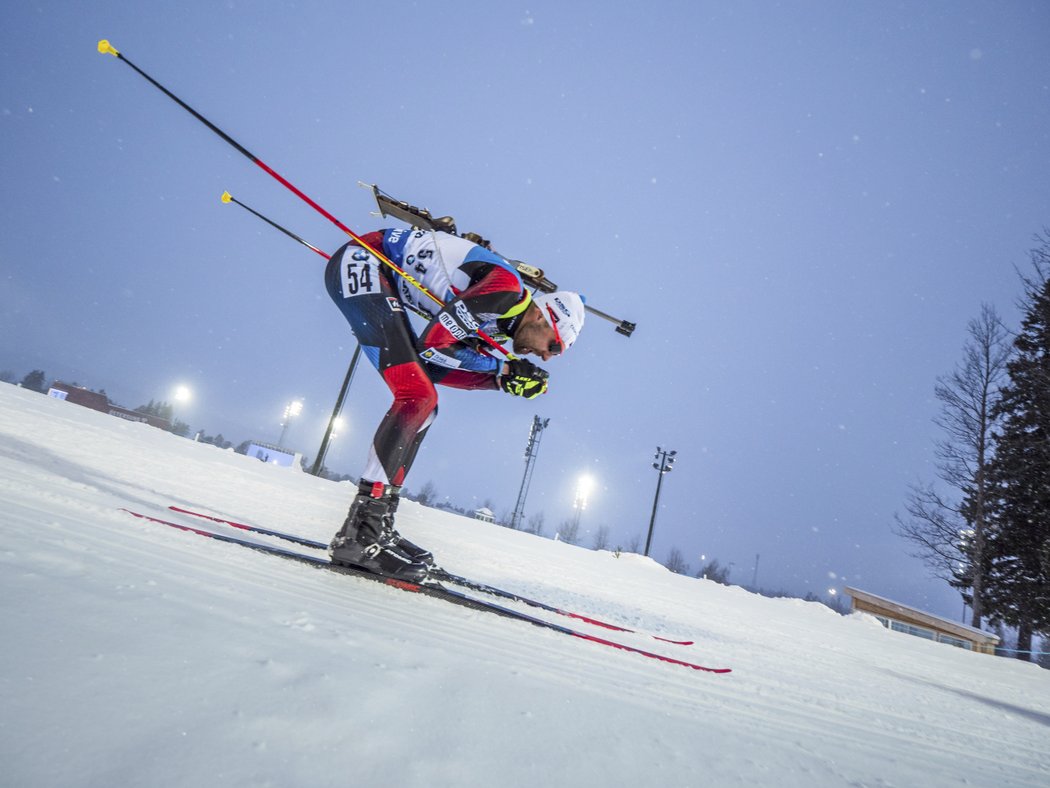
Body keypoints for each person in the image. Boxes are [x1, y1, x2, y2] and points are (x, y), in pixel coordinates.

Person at [323, 227, 585, 581]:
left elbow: (431, 365)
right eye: (554, 346)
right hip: (365, 261)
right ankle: (361, 533)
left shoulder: (497, 325)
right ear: (542, 316)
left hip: (377, 274)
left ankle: (376, 522)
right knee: (417, 396)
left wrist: (499, 379)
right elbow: (434, 347)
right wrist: (501, 368)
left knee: (425, 405)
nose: (548, 357)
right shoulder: (506, 292)